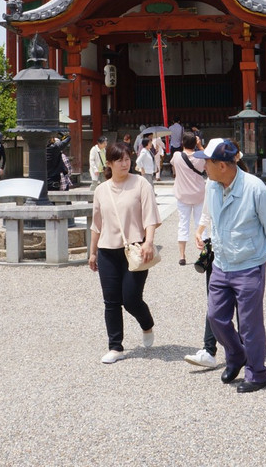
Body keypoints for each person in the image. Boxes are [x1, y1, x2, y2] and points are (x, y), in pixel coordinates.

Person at [195, 137, 266, 393]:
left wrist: (261, 252)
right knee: (216, 317)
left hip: (248, 266)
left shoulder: (254, 188)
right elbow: (210, 217)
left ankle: (257, 373)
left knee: (249, 324)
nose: (204, 167)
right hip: (221, 264)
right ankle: (236, 356)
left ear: (222, 165)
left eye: (207, 163)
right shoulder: (212, 186)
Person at [88, 141, 161, 364]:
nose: (125, 163)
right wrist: (92, 253)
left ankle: (146, 324)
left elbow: (150, 216)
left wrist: (149, 242)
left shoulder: (141, 184)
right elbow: (96, 224)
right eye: (119, 160)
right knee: (111, 301)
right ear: (109, 163)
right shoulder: (101, 190)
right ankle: (115, 346)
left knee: (131, 299)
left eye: (127, 159)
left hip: (136, 249)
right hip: (107, 251)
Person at [185, 201, 221, 370]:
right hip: (217, 251)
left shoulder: (249, 185)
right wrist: (199, 231)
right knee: (213, 301)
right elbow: (207, 211)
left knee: (241, 303)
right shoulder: (212, 184)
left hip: (241, 254)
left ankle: (246, 348)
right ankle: (209, 350)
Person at [171, 131, 207, 265]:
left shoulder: (177, 156)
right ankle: (204, 254)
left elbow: (174, 165)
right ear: (195, 143)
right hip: (199, 194)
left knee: (183, 224)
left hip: (183, 195)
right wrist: (200, 145)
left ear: (182, 143)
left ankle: (182, 255)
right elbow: (209, 159)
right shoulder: (201, 157)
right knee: (202, 223)